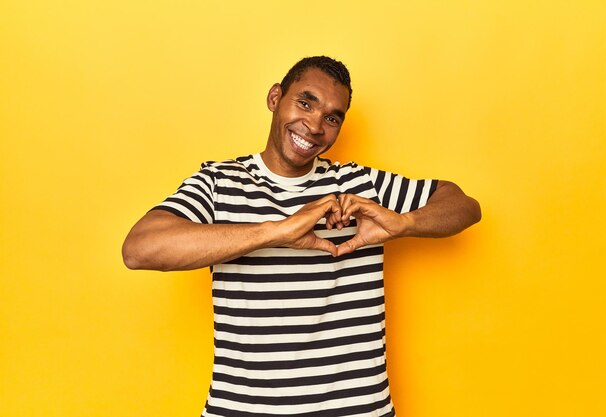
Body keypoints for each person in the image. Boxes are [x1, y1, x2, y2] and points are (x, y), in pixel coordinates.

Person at [123, 56, 481, 417]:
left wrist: (404, 223)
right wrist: (276, 231)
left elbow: (463, 204)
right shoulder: (220, 182)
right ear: (275, 97)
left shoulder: (358, 186)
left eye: (331, 117)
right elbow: (140, 249)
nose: (313, 125)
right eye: (305, 103)